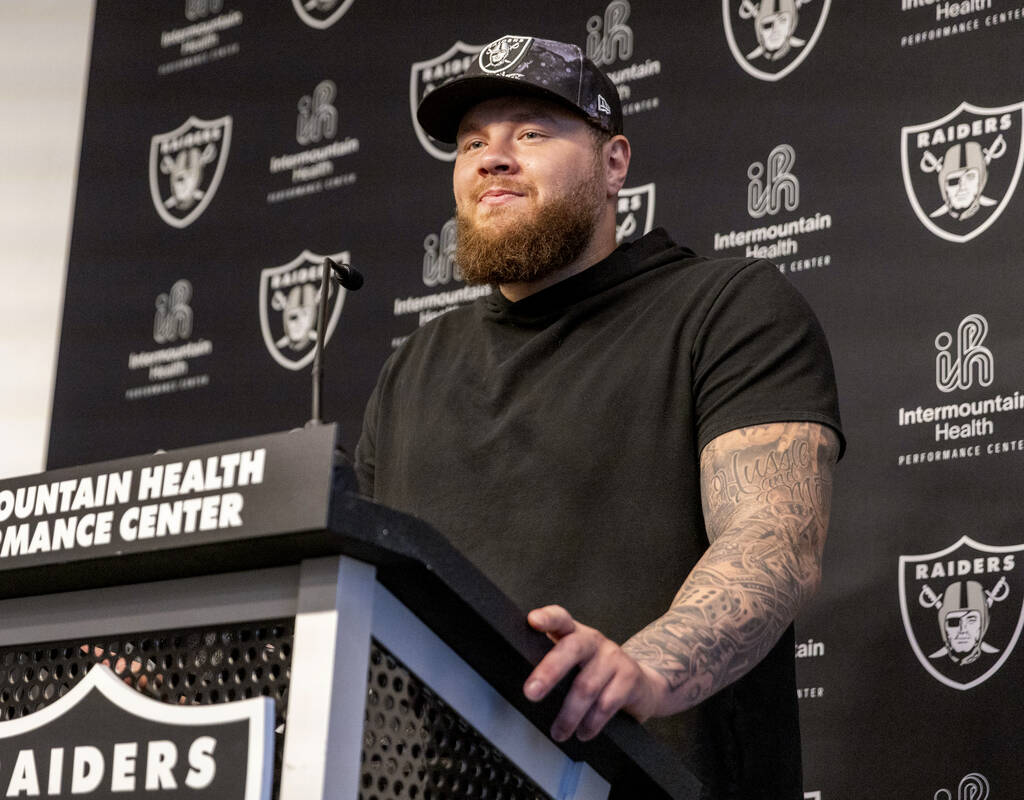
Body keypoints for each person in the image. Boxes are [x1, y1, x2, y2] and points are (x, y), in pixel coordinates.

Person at [355, 34, 844, 799]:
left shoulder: (728, 309)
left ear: (615, 163)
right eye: (473, 142)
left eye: (532, 133)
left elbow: (774, 539)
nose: (493, 158)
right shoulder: (411, 368)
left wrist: (645, 670)